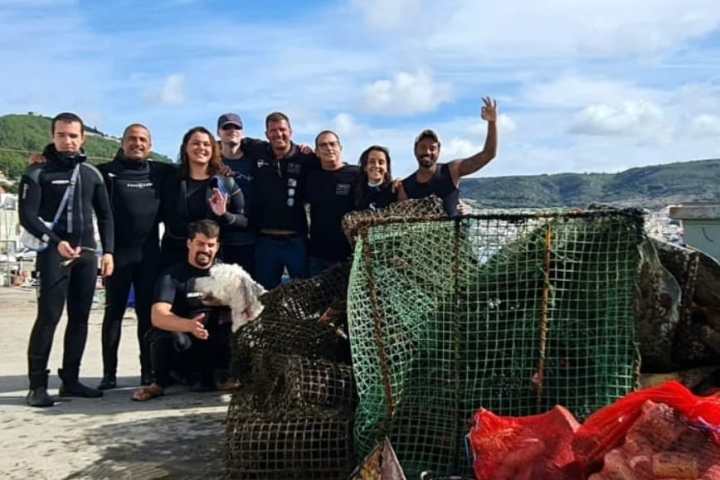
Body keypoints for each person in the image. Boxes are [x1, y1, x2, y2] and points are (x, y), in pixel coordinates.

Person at [19, 112, 114, 407]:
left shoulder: (92, 174)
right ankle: (37, 385)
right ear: (53, 136)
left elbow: (106, 216)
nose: (68, 141)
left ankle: (70, 380)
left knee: (80, 318)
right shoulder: (37, 173)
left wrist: (108, 252)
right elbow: (27, 216)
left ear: (82, 138)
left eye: (73, 135)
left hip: (85, 254)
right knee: (48, 317)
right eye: (61, 135)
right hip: (53, 254)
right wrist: (55, 242)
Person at [96, 124, 175, 390]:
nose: (137, 143)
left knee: (146, 316)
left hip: (149, 256)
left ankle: (147, 371)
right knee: (113, 314)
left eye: (142, 140)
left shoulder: (160, 172)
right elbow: (76, 170)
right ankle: (109, 374)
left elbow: (194, 167)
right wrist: (44, 158)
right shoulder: (106, 172)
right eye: (131, 139)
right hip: (118, 256)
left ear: (150, 145)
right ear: (122, 142)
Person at [132, 219, 231, 400]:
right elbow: (158, 315)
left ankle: (225, 377)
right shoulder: (172, 276)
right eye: (200, 244)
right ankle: (158, 384)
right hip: (185, 347)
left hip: (216, 348)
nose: (206, 250)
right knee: (161, 334)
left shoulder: (227, 274)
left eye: (211, 245)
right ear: (189, 243)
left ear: (217, 247)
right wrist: (189, 325)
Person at [243, 112, 319, 289]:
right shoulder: (256, 149)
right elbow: (227, 144)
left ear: (291, 131)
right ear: (266, 134)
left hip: (296, 240)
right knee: (264, 296)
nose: (278, 134)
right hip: (265, 241)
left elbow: (333, 165)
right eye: (273, 130)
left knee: (303, 293)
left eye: (282, 129)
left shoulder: (306, 157)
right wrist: (220, 165)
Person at [159, 126, 247, 269]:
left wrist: (224, 215)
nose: (201, 148)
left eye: (206, 144)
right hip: (173, 258)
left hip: (209, 260)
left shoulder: (225, 183)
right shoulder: (171, 181)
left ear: (213, 150)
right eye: (195, 143)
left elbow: (244, 221)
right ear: (185, 148)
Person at [400, 97, 498, 216]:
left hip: (455, 234)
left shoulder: (452, 170)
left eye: (432, 148)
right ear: (415, 150)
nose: (427, 151)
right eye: (423, 147)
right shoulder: (404, 187)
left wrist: (492, 123)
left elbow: (488, 155)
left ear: (439, 150)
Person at [305, 130, 360, 276]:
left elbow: (379, 185)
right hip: (318, 256)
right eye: (323, 145)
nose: (329, 148)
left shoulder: (357, 174)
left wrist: (396, 183)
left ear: (340, 147)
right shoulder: (311, 177)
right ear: (316, 152)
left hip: (349, 255)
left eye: (332, 144)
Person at [215, 113, 258, 276]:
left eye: (236, 127)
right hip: (220, 241)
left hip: (251, 239)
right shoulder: (211, 162)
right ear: (219, 133)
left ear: (242, 132)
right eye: (226, 127)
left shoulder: (255, 159)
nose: (232, 130)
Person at [354, 145, 399, 211]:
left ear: (387, 168)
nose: (376, 165)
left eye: (381, 162)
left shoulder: (395, 190)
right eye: (372, 162)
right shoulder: (356, 193)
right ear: (365, 167)